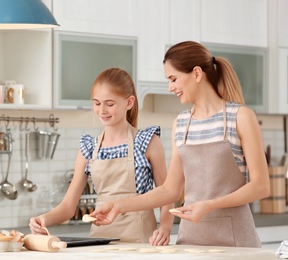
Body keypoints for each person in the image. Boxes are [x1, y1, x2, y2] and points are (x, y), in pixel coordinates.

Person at [89, 41, 270, 248]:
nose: (170, 87)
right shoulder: (182, 123)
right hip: (191, 241)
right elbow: (170, 190)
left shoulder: (240, 117)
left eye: (173, 79)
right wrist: (119, 206)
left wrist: (210, 205)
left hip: (236, 242)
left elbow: (260, 186)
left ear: (196, 73)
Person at [29, 67, 174, 244]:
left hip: (141, 241)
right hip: (101, 242)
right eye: (97, 103)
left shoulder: (147, 142)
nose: (102, 110)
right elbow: (68, 206)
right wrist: (44, 220)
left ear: (129, 103)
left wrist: (165, 229)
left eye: (109, 104)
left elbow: (167, 195)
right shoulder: (88, 148)